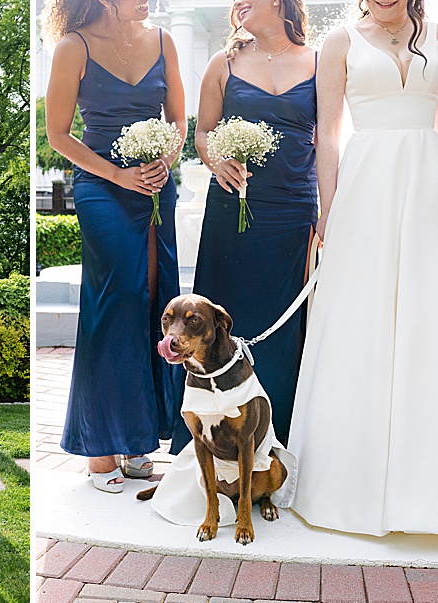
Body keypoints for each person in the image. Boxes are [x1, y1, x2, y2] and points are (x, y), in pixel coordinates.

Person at [288, 1, 438, 535]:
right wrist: (330, 213)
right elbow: (327, 135)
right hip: (366, 190)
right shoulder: (340, 42)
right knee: (363, 322)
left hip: (429, 188)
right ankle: (350, 484)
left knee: (427, 320)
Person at [41, 0, 187, 492]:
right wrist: (119, 175)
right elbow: (58, 135)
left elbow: (179, 124)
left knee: (150, 302)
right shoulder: (73, 47)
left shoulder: (164, 42)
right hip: (102, 187)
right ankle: (99, 445)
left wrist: (161, 161)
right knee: (115, 302)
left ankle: (139, 440)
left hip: (153, 186)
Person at [192, 0, 317, 446]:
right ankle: (215, 439)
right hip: (233, 211)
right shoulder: (222, 63)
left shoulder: (321, 62)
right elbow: (203, 130)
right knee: (225, 323)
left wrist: (327, 214)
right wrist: (215, 161)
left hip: (294, 211)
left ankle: (278, 439)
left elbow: (329, 140)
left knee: (286, 329)